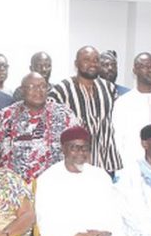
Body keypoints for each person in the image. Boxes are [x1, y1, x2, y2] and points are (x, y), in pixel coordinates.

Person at [0, 72, 78, 183]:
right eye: (32, 87)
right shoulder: (6, 115)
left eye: (42, 86)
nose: (38, 90)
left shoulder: (64, 115)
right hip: (13, 188)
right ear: (22, 90)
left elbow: (79, 149)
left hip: (54, 186)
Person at [50, 46, 122, 175]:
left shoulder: (109, 88)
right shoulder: (61, 91)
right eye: (86, 60)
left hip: (107, 162)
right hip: (75, 165)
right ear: (76, 63)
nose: (92, 64)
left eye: (96, 60)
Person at [113, 52, 151, 163]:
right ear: (135, 70)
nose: (150, 70)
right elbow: (117, 138)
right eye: (145, 66)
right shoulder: (123, 102)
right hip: (132, 163)